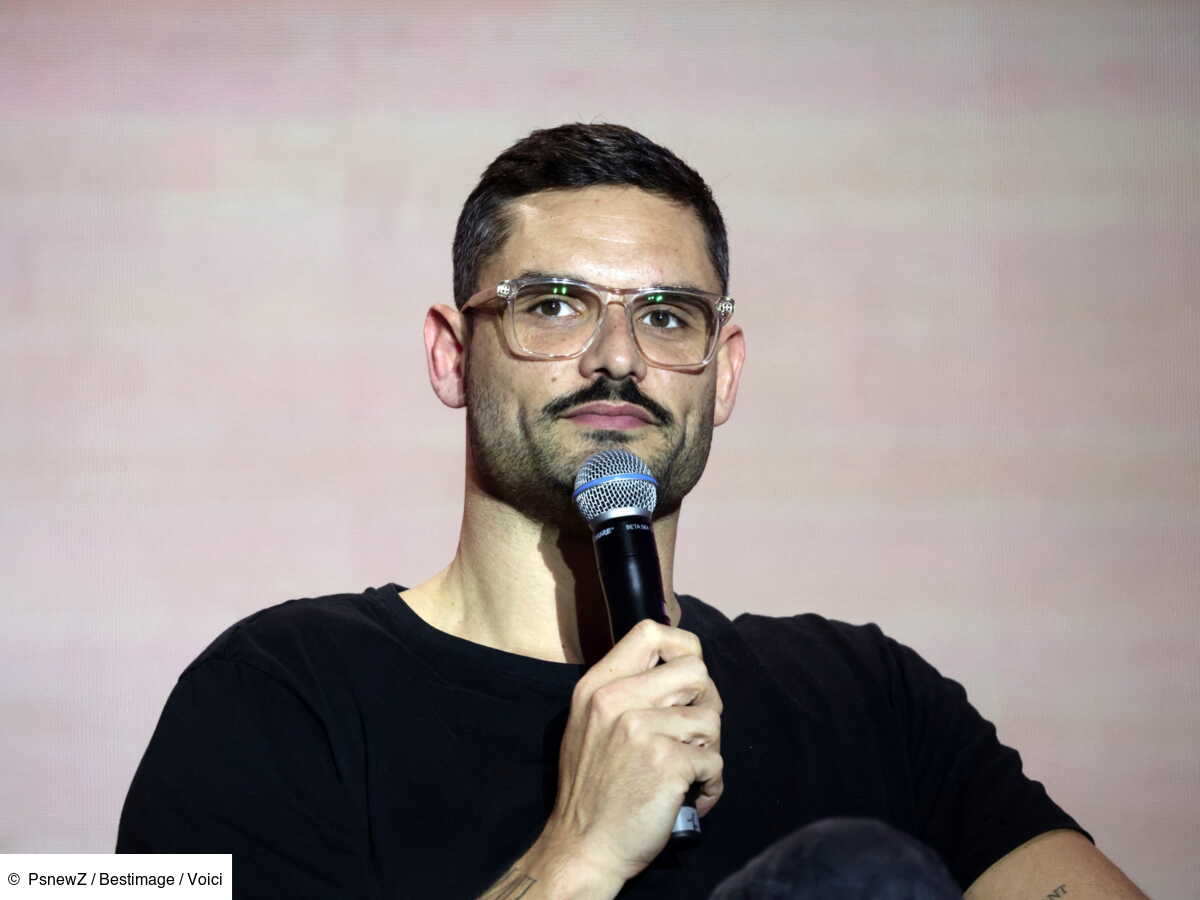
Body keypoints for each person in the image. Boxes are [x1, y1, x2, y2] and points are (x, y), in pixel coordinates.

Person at [117, 123, 1148, 899]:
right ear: (452, 355)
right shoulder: (280, 694)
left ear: (723, 373)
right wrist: (579, 851)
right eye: (553, 305)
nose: (617, 357)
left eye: (666, 316)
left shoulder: (868, 697)